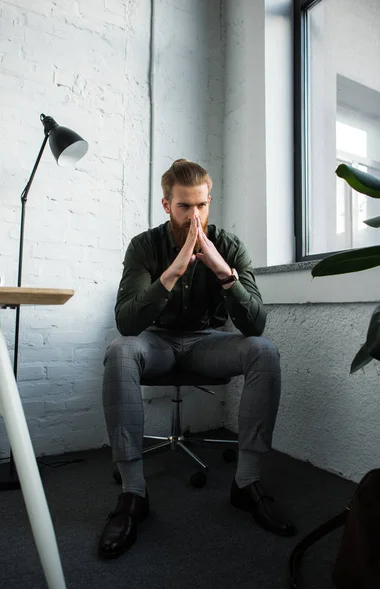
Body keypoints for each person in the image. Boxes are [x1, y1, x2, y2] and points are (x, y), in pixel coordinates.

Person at [98, 159, 296, 559]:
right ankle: (133, 494)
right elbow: (127, 323)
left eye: (202, 206)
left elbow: (255, 323)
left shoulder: (229, 244)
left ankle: (246, 483)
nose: (194, 216)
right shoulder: (144, 246)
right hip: (158, 344)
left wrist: (224, 272)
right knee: (120, 352)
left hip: (208, 343)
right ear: (166, 205)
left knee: (264, 351)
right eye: (185, 206)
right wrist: (171, 273)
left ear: (209, 203)